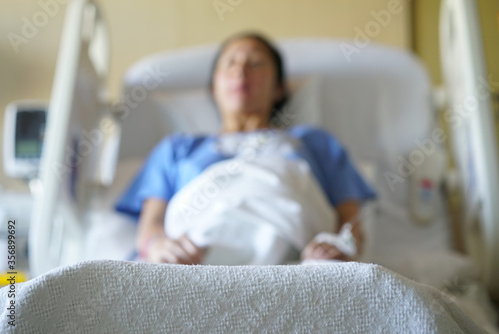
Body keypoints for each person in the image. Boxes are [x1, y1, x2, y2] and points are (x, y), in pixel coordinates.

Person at [115, 32, 376, 265]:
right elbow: (151, 225)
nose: (240, 71)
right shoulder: (177, 148)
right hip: (193, 262)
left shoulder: (314, 141)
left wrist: (339, 248)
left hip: (298, 266)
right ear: (213, 86)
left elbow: (351, 223)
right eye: (230, 63)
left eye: (255, 63)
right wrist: (158, 246)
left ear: (278, 88)